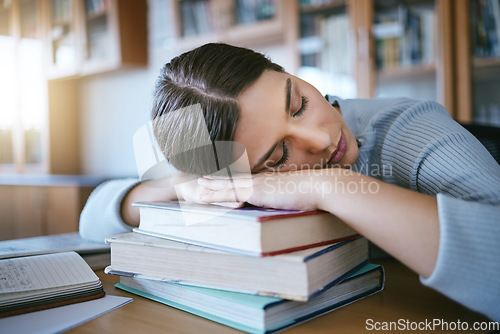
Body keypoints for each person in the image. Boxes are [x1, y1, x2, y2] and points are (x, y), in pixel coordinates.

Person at [80, 43, 500, 321]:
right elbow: (94, 220)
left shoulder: (409, 128)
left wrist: (328, 186)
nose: (321, 139)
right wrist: (179, 184)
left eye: (298, 103)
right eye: (278, 156)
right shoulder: (234, 179)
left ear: (288, 72)